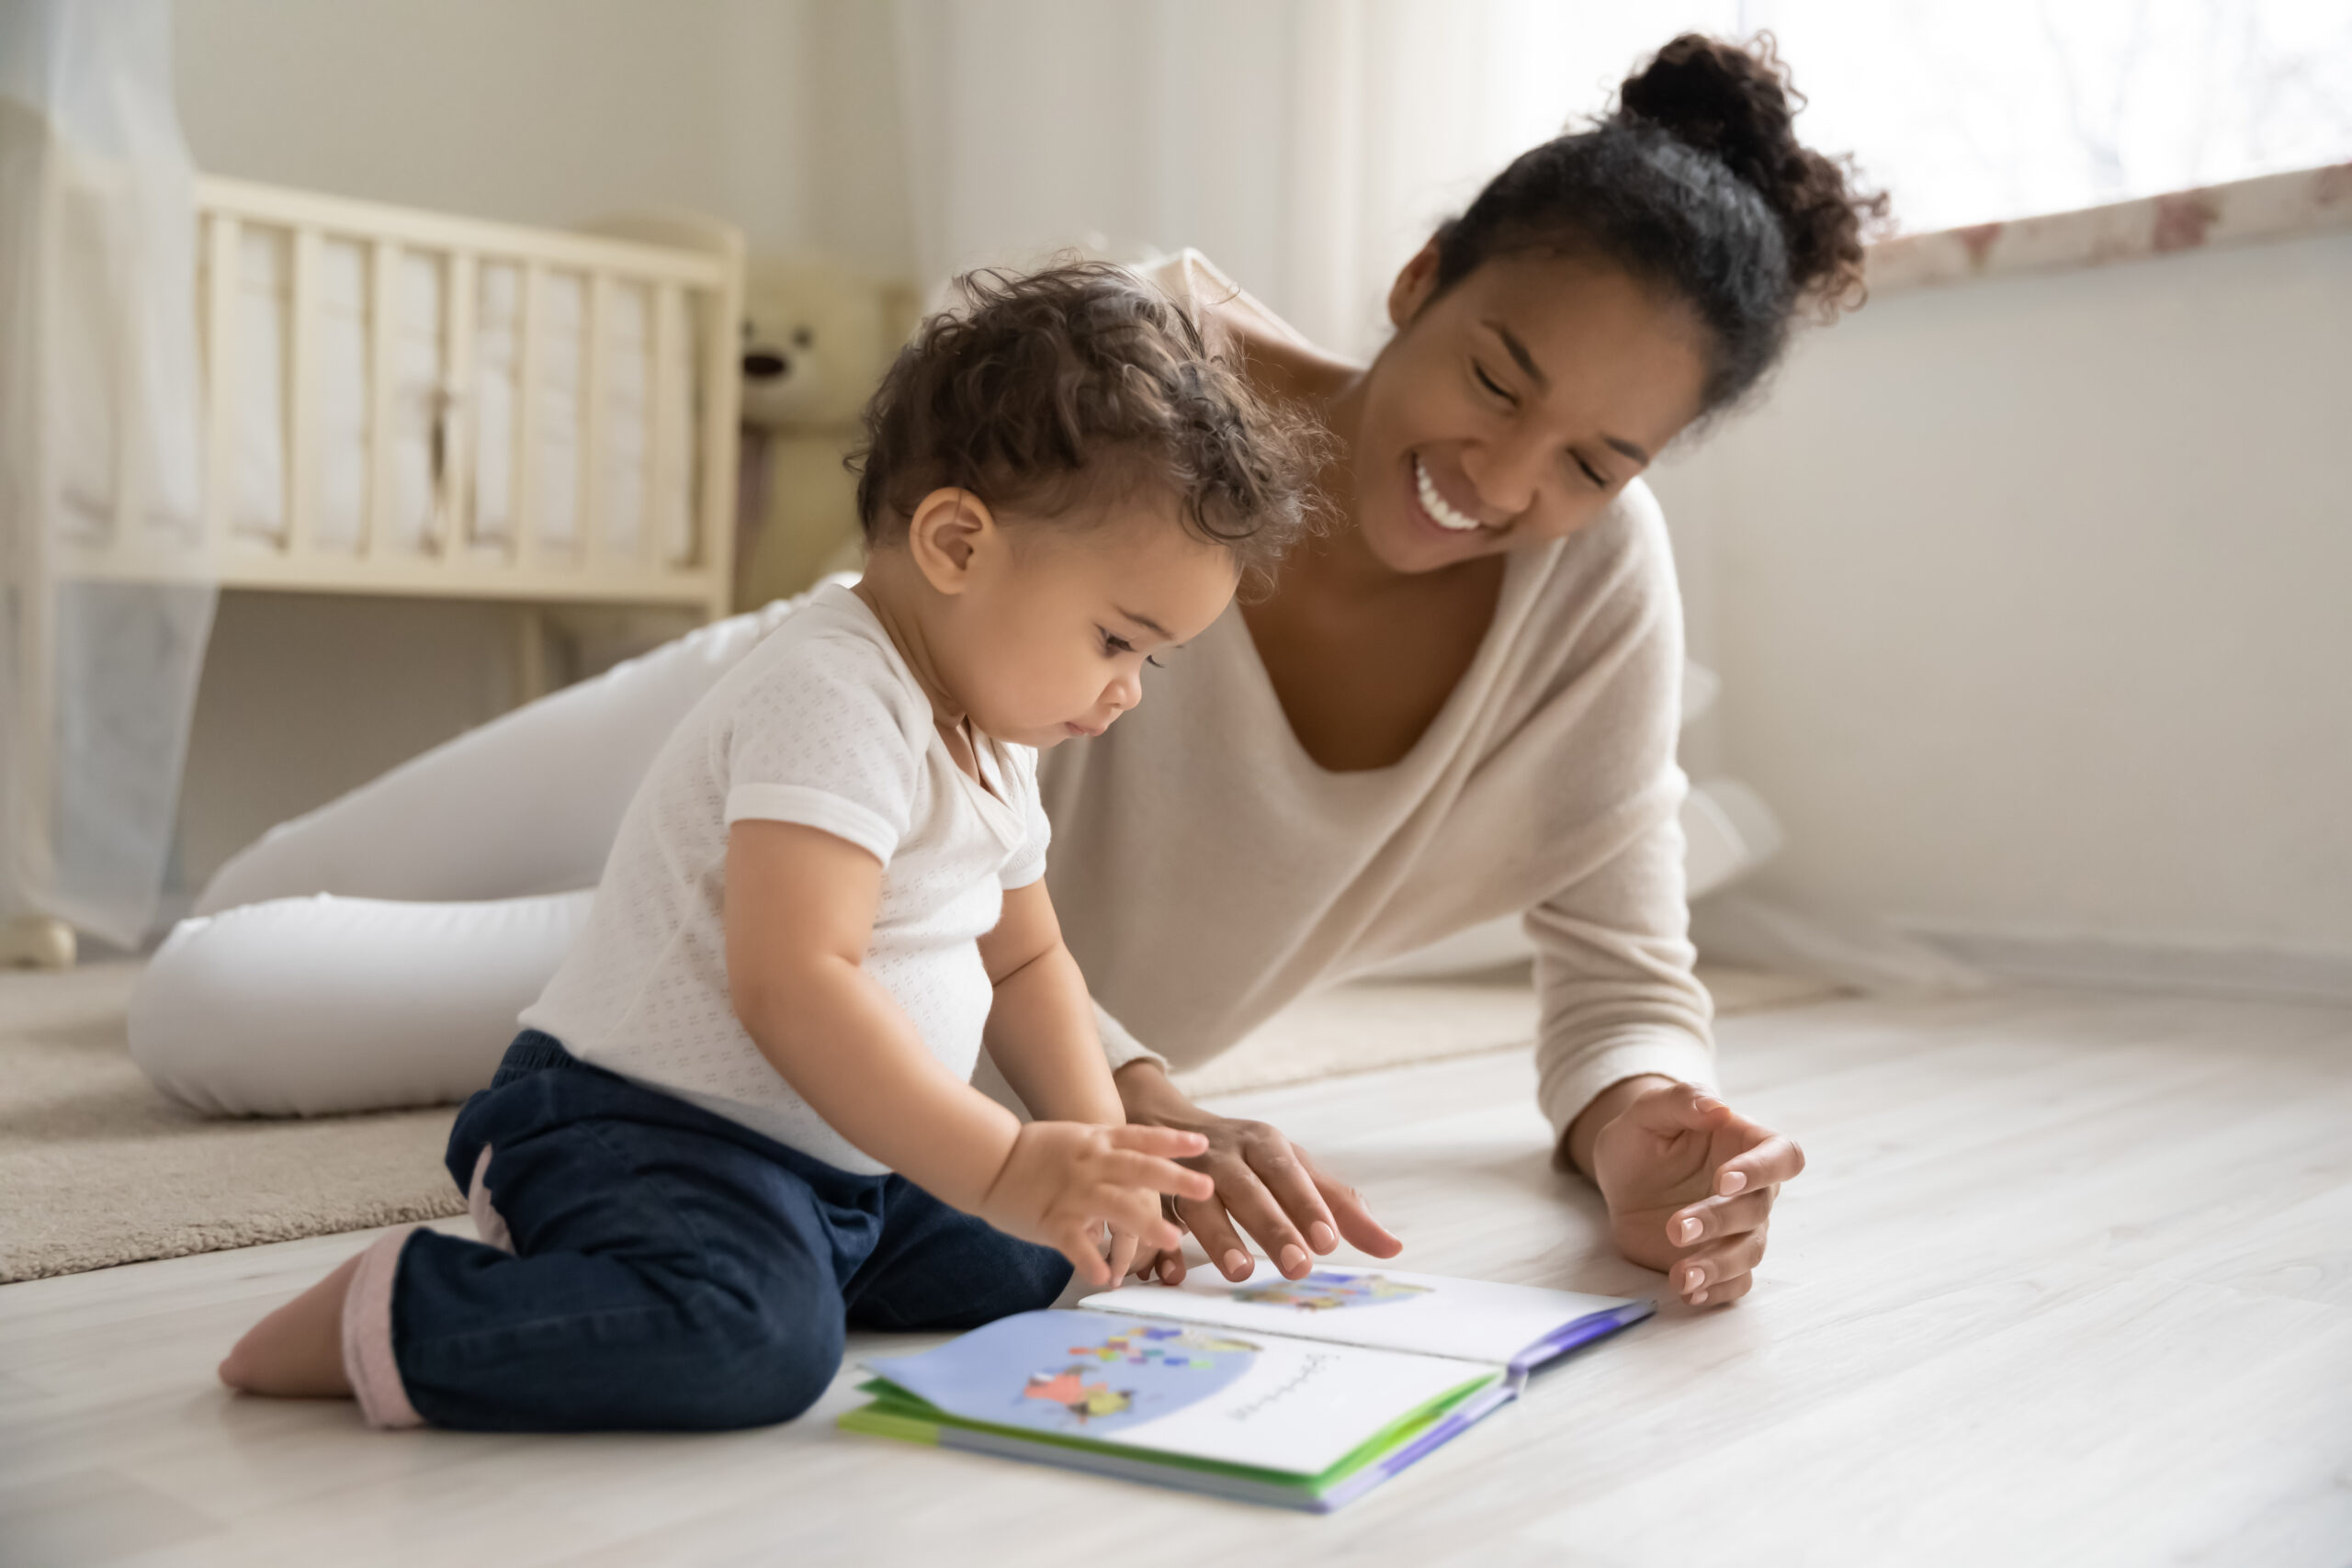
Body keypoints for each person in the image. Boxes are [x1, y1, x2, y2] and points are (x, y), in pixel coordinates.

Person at [141, 35, 1882, 1316]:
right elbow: (918, 606)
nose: (1508, 483)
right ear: (1417, 282)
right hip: (805, 765)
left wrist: (1651, 1114)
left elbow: (1619, 960)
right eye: (1496, 381)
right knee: (241, 927)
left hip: (906, 971)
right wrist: (1142, 1089)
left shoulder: (1587, 594)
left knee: (233, 1011)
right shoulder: (1135, 372)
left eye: (1597, 461)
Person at [214, 262, 1321, 1429]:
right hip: (637, 1131)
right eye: (1114, 639)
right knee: (752, 1341)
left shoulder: (995, 741)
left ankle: (809, 1255)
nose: (1126, 693)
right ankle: (392, 1308)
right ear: (955, 541)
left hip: (832, 1166)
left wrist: (1096, 1160)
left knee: (1030, 1264)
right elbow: (792, 980)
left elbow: (1028, 964)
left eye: (1149, 660)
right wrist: (1003, 1169)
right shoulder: (835, 692)